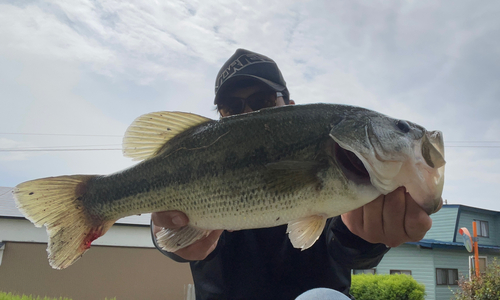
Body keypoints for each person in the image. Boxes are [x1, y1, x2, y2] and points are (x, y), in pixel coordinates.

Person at [151, 49, 434, 300]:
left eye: (262, 101)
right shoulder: (201, 165)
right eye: (231, 108)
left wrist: (368, 234)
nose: (247, 113)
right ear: (221, 118)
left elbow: (347, 245)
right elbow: (171, 235)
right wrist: (165, 230)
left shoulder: (341, 160)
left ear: (290, 107)